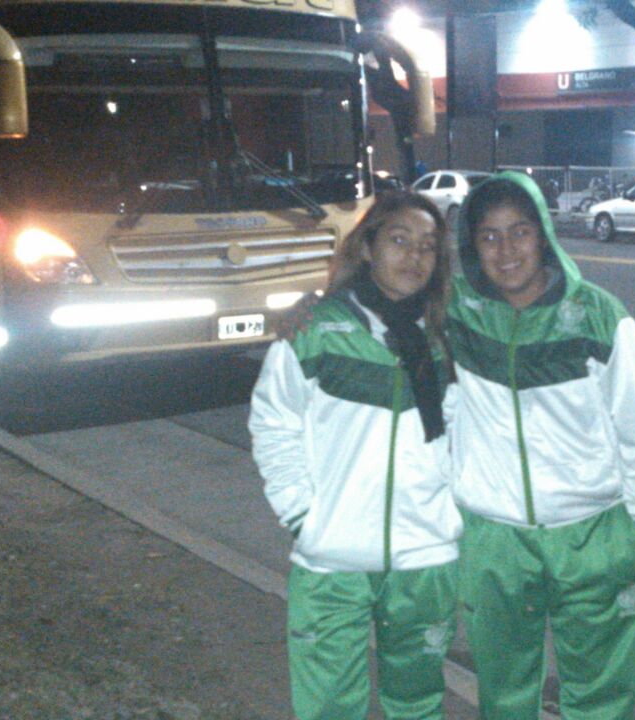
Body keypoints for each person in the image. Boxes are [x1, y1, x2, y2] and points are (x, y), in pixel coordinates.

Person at [445, 172, 635, 719]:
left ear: (543, 234)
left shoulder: (599, 317)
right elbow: (377, 300)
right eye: (489, 236)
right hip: (493, 538)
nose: (506, 251)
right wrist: (308, 306)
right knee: (503, 694)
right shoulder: (455, 313)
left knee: (600, 697)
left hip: (592, 535)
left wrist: (634, 527)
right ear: (472, 246)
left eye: (519, 232)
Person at [248, 191, 461, 720]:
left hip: (425, 556)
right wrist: (303, 515)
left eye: (428, 246)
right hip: (331, 559)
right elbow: (274, 422)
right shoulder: (317, 330)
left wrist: (450, 513)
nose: (415, 256)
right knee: (328, 707)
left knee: (417, 704)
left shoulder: (450, 335)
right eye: (399, 240)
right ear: (367, 247)